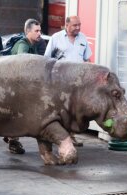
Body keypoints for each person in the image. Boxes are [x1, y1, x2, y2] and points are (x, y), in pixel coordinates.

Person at [44, 16, 92, 146]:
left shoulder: (82, 38)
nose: (78, 28)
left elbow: (87, 59)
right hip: (60, 82)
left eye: (79, 25)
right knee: (61, 110)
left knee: (74, 110)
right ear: (66, 25)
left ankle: (71, 135)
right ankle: (60, 136)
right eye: (75, 25)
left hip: (78, 83)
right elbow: (47, 60)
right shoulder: (56, 38)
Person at [5, 18, 44, 155]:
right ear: (28, 32)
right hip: (15, 88)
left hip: (22, 88)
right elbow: (22, 66)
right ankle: (12, 140)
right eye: (37, 31)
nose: (40, 33)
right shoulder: (23, 45)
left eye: (40, 30)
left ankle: (10, 136)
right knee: (16, 115)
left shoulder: (33, 45)